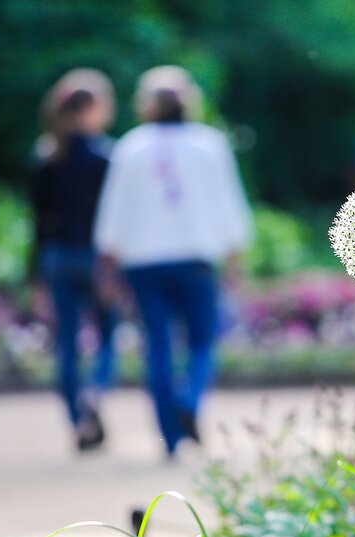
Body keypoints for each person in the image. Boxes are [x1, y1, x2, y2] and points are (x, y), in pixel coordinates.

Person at [94, 66, 253, 458]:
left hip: (144, 264)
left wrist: (107, 265)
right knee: (202, 341)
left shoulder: (130, 146)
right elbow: (230, 206)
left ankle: (169, 435)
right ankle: (191, 400)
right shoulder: (210, 143)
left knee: (159, 347)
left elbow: (113, 215)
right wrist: (235, 259)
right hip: (197, 260)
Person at [29, 69, 118, 451]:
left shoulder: (46, 156)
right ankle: (95, 391)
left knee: (66, 343)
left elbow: (37, 223)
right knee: (109, 333)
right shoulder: (107, 157)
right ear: (93, 108)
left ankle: (77, 418)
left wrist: (33, 278)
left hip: (57, 258)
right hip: (97, 258)